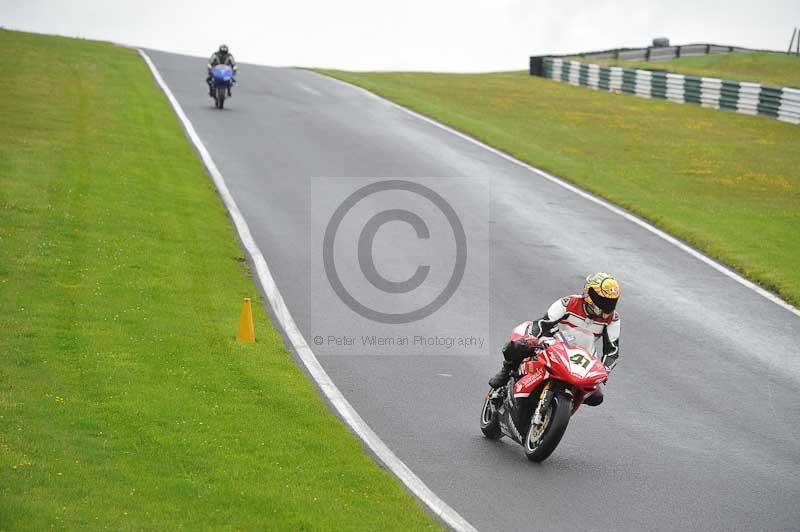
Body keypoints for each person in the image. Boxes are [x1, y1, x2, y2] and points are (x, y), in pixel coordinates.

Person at [488, 273, 621, 406]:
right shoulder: (569, 303)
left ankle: (562, 407)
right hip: (554, 343)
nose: (606, 305)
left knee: (596, 397)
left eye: (610, 302)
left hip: (582, 358)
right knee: (516, 347)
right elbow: (542, 323)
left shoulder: (613, 319)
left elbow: (612, 351)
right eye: (602, 300)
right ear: (588, 293)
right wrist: (531, 339)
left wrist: (604, 371)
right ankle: (506, 372)